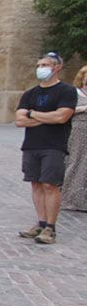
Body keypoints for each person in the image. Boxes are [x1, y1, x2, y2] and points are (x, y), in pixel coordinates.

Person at [15, 52, 78, 244]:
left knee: (50, 185)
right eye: (39, 64)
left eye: (45, 65)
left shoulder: (66, 91)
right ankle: (41, 223)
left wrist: (33, 114)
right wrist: (47, 117)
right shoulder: (30, 94)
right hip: (32, 145)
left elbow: (62, 117)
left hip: (54, 145)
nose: (40, 68)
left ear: (57, 67)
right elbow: (19, 120)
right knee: (36, 183)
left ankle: (51, 227)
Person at [61, 64, 87, 212]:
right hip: (78, 129)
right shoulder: (75, 93)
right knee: (75, 162)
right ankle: (69, 198)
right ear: (82, 77)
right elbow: (67, 110)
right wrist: (84, 109)